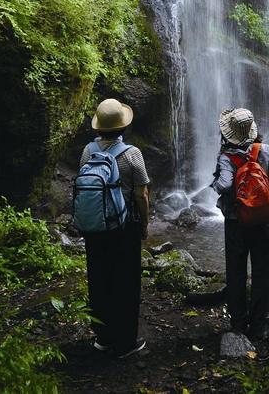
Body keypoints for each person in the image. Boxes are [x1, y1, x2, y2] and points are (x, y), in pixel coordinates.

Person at [79, 98, 150, 358]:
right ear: (123, 127)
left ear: (99, 127)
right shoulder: (133, 154)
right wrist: (144, 224)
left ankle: (103, 337)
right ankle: (126, 341)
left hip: (96, 226)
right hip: (124, 227)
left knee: (99, 278)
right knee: (127, 281)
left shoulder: (88, 151)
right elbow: (142, 194)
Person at [211, 107, 269, 340]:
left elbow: (224, 185)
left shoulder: (226, 157)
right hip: (264, 220)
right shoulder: (262, 149)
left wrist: (214, 184)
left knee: (235, 271)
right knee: (262, 271)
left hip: (236, 221)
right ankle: (260, 325)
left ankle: (237, 323)